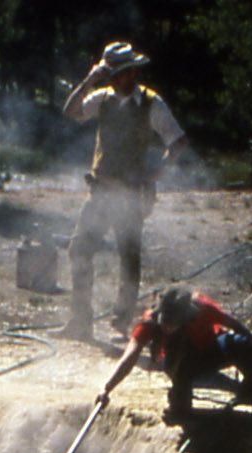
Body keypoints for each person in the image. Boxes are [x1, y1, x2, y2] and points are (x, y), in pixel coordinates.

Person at [94, 286, 252, 453]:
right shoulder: (148, 325)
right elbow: (130, 356)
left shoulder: (203, 309)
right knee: (180, 363)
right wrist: (107, 388)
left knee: (240, 344)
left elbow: (237, 327)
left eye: (173, 323)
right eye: (166, 322)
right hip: (181, 360)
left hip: (211, 348)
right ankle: (182, 409)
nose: (168, 327)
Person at [60, 42, 188, 340]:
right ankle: (80, 321)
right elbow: (70, 111)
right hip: (101, 191)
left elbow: (177, 141)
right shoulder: (102, 98)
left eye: (125, 73)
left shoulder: (151, 103)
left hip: (130, 195)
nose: (121, 79)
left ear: (133, 72)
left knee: (128, 258)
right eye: (115, 74)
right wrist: (89, 80)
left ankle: (121, 321)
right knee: (79, 250)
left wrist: (157, 173)